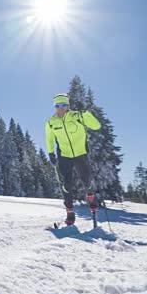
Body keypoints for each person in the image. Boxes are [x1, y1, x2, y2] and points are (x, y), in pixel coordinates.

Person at [45, 93, 103, 227]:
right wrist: (51, 153)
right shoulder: (51, 122)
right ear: (54, 107)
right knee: (66, 184)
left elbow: (96, 126)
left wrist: (86, 114)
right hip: (64, 155)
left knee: (86, 180)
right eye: (57, 105)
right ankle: (70, 212)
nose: (60, 108)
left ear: (68, 106)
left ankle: (91, 197)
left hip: (80, 153)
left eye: (63, 105)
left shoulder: (78, 116)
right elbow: (49, 139)